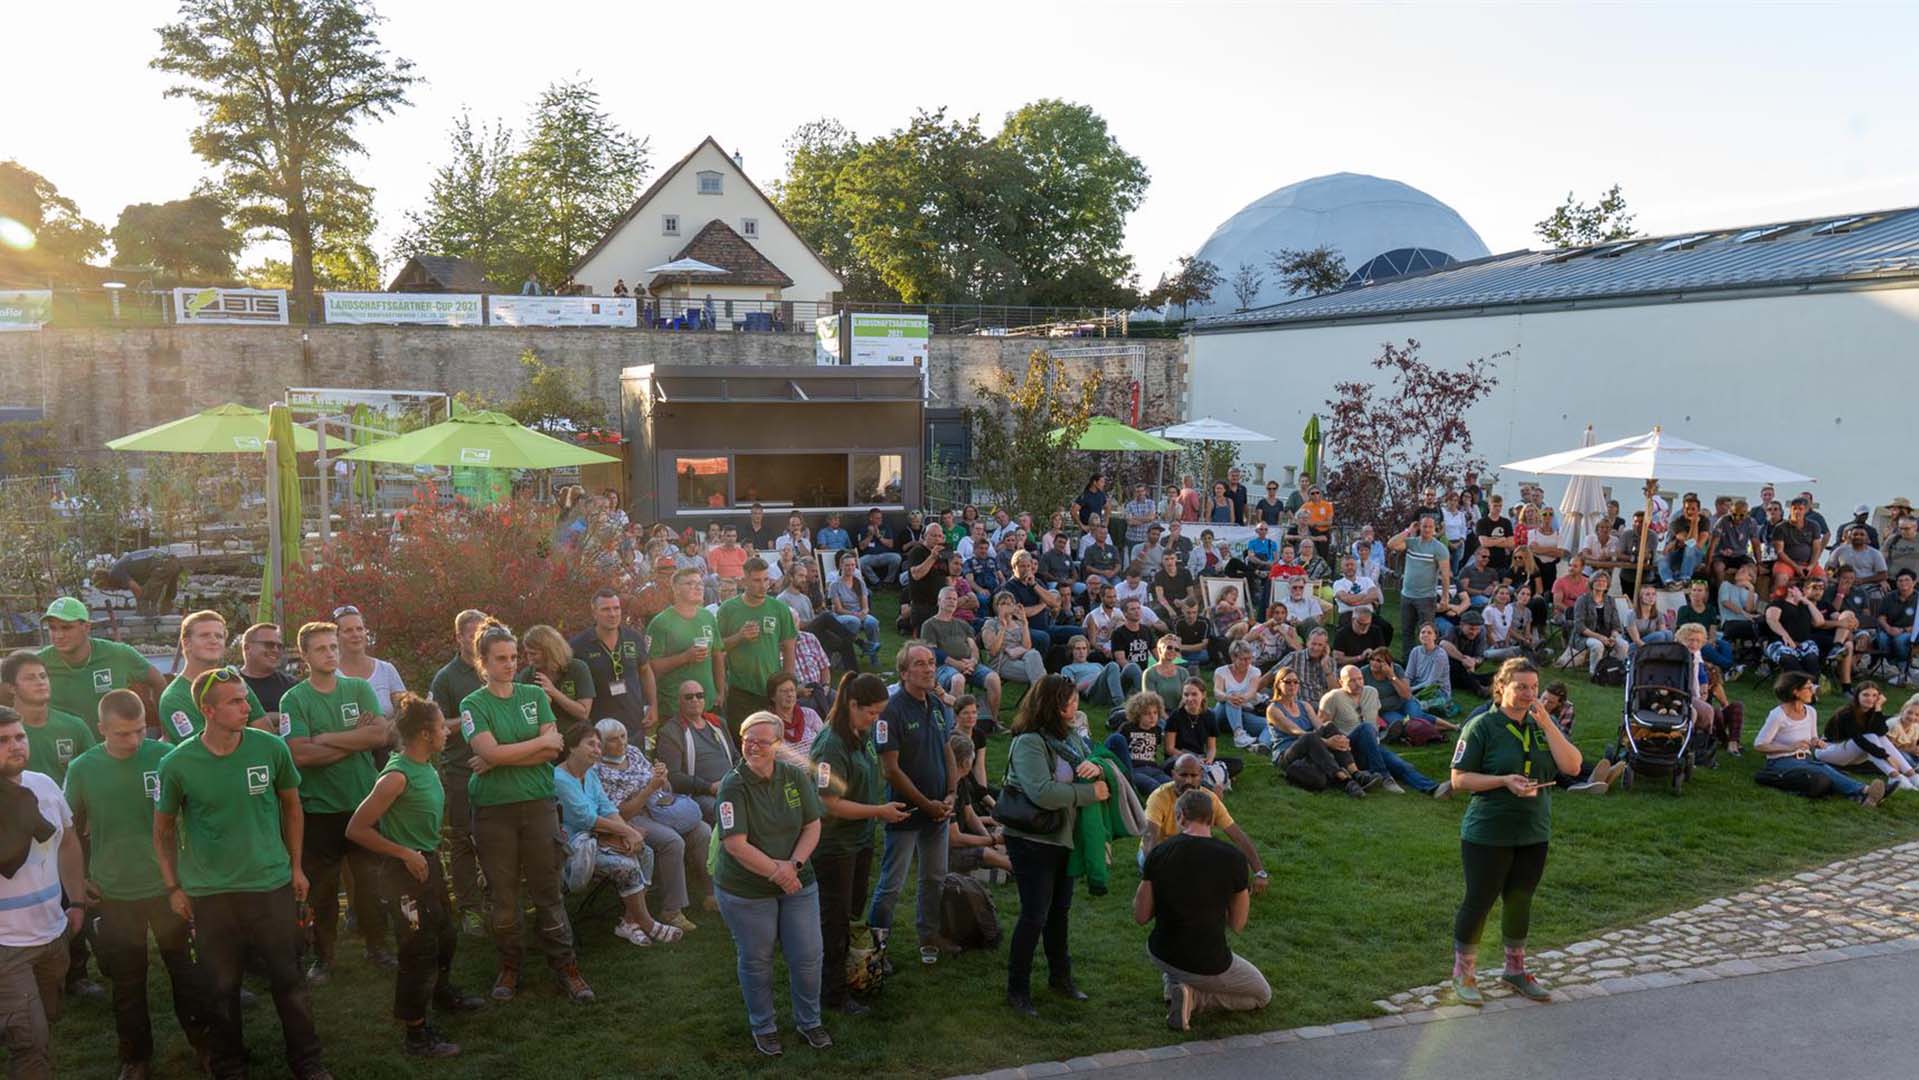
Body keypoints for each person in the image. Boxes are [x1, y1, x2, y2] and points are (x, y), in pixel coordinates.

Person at [153, 669, 330, 1079]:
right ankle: (230, 1066)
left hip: (270, 885)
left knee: (289, 980)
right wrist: (172, 887)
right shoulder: (177, 763)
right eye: (235, 701)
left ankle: (308, 1063)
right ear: (208, 710)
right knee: (220, 987)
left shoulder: (269, 748)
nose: (246, 707)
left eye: (245, 699)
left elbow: (292, 806)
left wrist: (296, 865)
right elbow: (161, 831)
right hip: (211, 894)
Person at [65, 690, 209, 1075]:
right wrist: (79, 879)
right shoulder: (82, 768)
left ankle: (205, 1045)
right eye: (122, 734)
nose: (133, 741)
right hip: (115, 891)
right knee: (128, 981)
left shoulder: (163, 757)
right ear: (101, 729)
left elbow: (194, 814)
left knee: (187, 972)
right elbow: (68, 830)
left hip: (168, 888)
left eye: (140, 731)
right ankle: (135, 1058)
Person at [458, 623, 592, 1005]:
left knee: (548, 892)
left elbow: (553, 751)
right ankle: (510, 966)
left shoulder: (534, 694)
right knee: (503, 898)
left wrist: (502, 755)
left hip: (538, 805)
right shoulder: (473, 704)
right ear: (483, 662)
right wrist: (531, 745)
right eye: (500, 659)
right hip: (493, 812)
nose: (510, 664)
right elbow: (495, 752)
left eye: (514, 657)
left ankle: (566, 967)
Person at [344, 694, 484, 1060]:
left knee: (445, 935)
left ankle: (440, 994)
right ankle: (417, 1033)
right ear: (424, 733)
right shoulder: (396, 776)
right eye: (441, 727)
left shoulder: (425, 765)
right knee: (417, 950)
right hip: (402, 872)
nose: (447, 733)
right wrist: (404, 853)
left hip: (428, 863)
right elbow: (357, 829)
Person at [1446, 658, 1584, 1006]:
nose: (1529, 694)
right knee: (1479, 901)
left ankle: (1515, 970)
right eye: (1521, 687)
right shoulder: (1482, 726)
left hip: (1533, 830)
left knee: (1520, 900)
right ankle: (1463, 974)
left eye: (1534, 688)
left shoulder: (1540, 725)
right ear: (1501, 687)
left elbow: (1573, 765)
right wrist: (1503, 781)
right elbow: (1459, 779)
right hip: (1488, 832)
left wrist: (1548, 723)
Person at [281, 621, 394, 982]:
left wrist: (326, 738)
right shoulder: (294, 699)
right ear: (305, 655)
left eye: (333, 647)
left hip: (362, 803)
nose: (330, 653)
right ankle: (324, 957)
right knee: (323, 892)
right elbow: (298, 755)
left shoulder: (359, 688)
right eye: (321, 648)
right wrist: (353, 739)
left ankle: (377, 947)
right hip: (319, 809)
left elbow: (380, 734)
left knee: (370, 885)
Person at [715, 711, 831, 1056]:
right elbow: (735, 843)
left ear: (778, 745)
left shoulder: (795, 776)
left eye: (762, 741)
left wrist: (793, 865)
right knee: (757, 958)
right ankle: (763, 1026)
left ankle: (809, 1021)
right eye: (748, 740)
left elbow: (812, 825)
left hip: (797, 880)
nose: (753, 747)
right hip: (746, 889)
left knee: (808, 954)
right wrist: (778, 873)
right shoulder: (732, 784)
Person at [1002, 674, 1108, 1018]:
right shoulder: (1029, 742)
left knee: (1059, 912)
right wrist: (1089, 793)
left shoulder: (1072, 738)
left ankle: (1060, 978)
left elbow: (1092, 765)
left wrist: (1097, 767)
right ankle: (1017, 989)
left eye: (1075, 699)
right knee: (1034, 914)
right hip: (1032, 839)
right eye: (1069, 700)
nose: (1075, 706)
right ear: (1052, 704)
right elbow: (1042, 792)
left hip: (1063, 837)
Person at [811, 674, 910, 1016]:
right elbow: (829, 803)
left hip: (860, 840)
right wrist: (879, 811)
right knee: (834, 921)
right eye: (871, 713)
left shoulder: (861, 734)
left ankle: (851, 973)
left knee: (850, 914)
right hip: (835, 847)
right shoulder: (830, 746)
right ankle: (833, 995)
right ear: (852, 705)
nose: (876, 720)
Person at [1136, 786, 1271, 1031]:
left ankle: (1176, 985)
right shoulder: (1233, 859)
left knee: (1180, 964)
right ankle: (1195, 999)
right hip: (1207, 961)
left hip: (1161, 952)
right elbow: (1238, 924)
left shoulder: (1159, 854)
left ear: (1180, 817)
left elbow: (1141, 915)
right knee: (1261, 995)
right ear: (1211, 819)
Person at [0, 705, 87, 1079]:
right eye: (3, 741)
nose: (16, 745)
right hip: (6, 945)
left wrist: (77, 899)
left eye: (19, 736)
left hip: (54, 932)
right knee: (30, 1043)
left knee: (47, 1019)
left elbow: (67, 842)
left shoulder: (44, 785)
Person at [868, 644, 957, 968]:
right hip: (905, 811)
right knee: (892, 884)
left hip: (940, 810)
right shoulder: (891, 711)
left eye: (932, 663)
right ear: (904, 673)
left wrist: (951, 793)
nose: (929, 669)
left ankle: (928, 936)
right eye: (920, 664)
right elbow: (890, 768)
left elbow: (948, 750)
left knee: (935, 877)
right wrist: (925, 804)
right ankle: (875, 949)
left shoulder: (936, 705)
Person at [554, 724, 679, 947]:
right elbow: (587, 818)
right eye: (590, 744)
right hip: (573, 847)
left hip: (599, 838)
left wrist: (629, 836)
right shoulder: (560, 779)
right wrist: (628, 831)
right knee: (626, 866)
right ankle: (647, 923)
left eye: (598, 745)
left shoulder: (589, 774)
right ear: (572, 747)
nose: (597, 750)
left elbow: (607, 808)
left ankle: (630, 923)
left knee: (645, 851)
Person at [595, 718, 708, 931]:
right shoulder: (598, 770)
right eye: (612, 740)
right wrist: (649, 788)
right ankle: (672, 910)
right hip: (631, 819)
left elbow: (661, 785)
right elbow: (619, 813)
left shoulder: (634, 753)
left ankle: (710, 893)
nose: (621, 743)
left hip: (658, 806)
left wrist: (662, 777)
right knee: (672, 841)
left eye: (623, 736)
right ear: (599, 744)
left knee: (701, 829)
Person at [425, 609, 488, 937]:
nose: (477, 639)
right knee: (463, 839)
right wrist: (470, 718)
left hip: (498, 766)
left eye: (482, 632)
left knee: (495, 836)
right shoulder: (447, 677)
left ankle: (497, 897)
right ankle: (470, 909)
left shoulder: (493, 668)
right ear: (459, 637)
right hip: (462, 769)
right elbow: (435, 725)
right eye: (471, 633)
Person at [1752, 672, 1886, 806]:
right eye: (1809, 688)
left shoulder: (1810, 711)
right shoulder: (1778, 715)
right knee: (1823, 770)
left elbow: (1813, 738)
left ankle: (1862, 798)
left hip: (1806, 758)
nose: (1814, 691)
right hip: (1780, 761)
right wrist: (1789, 748)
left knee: (1829, 773)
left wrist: (1817, 742)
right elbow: (1759, 745)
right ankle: (1865, 790)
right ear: (1796, 692)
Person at [37, 597, 166, 735]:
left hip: (113, 751)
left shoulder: (118, 654)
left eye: (66, 627)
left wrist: (166, 732)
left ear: (86, 627)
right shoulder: (38, 663)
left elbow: (159, 682)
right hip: (66, 751)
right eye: (52, 628)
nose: (58, 635)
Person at [1320, 665, 1451, 797]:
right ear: (1341, 682)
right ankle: (1383, 775)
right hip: (1349, 751)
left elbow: (1374, 718)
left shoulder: (1371, 692)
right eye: (1352, 681)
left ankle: (1433, 789)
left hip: (1372, 745)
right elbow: (1322, 727)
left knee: (1400, 765)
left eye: (1360, 679)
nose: (1358, 684)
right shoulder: (1332, 697)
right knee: (1365, 728)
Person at [569, 589, 655, 744]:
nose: (613, 614)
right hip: (598, 728)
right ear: (594, 613)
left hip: (633, 725)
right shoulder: (579, 645)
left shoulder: (633, 638)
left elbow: (645, 671)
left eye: (616, 608)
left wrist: (653, 705)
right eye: (606, 609)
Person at [2, 651, 93, 787]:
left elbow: (93, 773)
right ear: (11, 687)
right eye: (30, 678)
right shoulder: (4, 731)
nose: (40, 682)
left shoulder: (75, 726)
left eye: (43, 676)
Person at [648, 567, 727, 722]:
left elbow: (717, 655)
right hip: (675, 708)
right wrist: (685, 657)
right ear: (676, 589)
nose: (697, 587)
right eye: (690, 583)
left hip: (708, 703)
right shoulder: (660, 623)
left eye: (700, 583)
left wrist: (720, 691)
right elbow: (651, 667)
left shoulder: (707, 617)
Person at [660, 678, 740, 824]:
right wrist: (710, 787)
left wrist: (740, 777)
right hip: (701, 794)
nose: (695, 700)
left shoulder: (718, 722)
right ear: (679, 701)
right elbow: (674, 776)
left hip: (733, 784)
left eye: (699, 695)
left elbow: (735, 757)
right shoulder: (671, 731)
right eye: (689, 697)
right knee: (725, 812)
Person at [1819, 683, 1919, 789]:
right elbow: (1860, 741)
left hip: (1851, 752)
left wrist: (1878, 708)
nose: (1870, 699)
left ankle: (1912, 775)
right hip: (1827, 750)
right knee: (1870, 738)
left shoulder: (1871, 712)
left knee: (1878, 737)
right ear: (1857, 696)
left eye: (1874, 695)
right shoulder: (1847, 714)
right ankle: (1895, 776)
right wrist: (1887, 756)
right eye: (1865, 695)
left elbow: (1881, 732)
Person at [925, 587, 1002, 717]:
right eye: (948, 598)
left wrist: (973, 661)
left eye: (954, 599)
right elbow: (934, 652)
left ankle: (992, 720)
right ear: (939, 601)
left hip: (969, 665)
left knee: (993, 678)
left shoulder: (962, 624)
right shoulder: (929, 625)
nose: (952, 601)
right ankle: (955, 723)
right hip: (943, 667)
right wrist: (957, 665)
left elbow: (973, 647)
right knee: (958, 679)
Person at [1389, 517, 1452, 662]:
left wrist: (1444, 597)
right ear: (1419, 527)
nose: (1427, 530)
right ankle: (1408, 662)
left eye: (1430, 527)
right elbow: (1391, 544)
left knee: (1427, 633)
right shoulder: (1411, 543)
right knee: (1407, 632)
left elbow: (1445, 574)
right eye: (1424, 526)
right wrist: (1408, 531)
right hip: (1407, 595)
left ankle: (1428, 661)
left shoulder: (1439, 548)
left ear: (1434, 528)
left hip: (1426, 597)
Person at [517, 623, 595, 734]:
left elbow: (583, 713)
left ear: (549, 652)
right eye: (528, 653)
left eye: (534, 654)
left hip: (577, 737)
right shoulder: (527, 676)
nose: (530, 659)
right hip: (543, 738)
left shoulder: (577, 668)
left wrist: (554, 692)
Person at [332, 606, 407, 715]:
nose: (356, 634)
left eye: (359, 629)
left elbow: (406, 714)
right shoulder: (331, 675)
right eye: (348, 630)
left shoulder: (386, 670)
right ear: (336, 636)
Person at [1105, 691, 1173, 798]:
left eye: (1155, 713)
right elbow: (1116, 745)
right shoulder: (1127, 728)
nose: (1152, 717)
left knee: (1172, 785)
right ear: (1137, 714)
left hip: (1154, 769)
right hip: (1136, 770)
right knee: (1153, 786)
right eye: (1147, 713)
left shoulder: (1157, 730)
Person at [828, 552, 883, 667]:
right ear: (841, 566)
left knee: (872, 622)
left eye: (853, 565)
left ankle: (873, 656)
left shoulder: (860, 582)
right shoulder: (835, 585)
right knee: (854, 621)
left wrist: (864, 612)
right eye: (847, 565)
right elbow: (838, 609)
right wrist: (855, 614)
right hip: (842, 615)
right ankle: (845, 657)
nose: (850, 568)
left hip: (859, 613)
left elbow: (866, 606)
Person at [92, 548, 185, 616]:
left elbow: (136, 589)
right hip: (171, 561)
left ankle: (148, 618)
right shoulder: (119, 569)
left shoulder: (116, 573)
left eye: (107, 588)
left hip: (161, 563)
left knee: (148, 597)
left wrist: (141, 608)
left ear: (105, 581)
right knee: (168, 595)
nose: (111, 591)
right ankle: (167, 614)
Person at [1568, 571, 1628, 674]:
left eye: (1604, 581)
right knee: (1597, 645)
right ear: (1592, 582)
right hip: (1584, 636)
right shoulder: (1582, 600)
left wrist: (1613, 637)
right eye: (1598, 580)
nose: (1601, 583)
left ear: (1607, 585)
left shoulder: (1610, 600)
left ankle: (1615, 671)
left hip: (1607, 635)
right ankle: (1596, 673)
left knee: (1623, 644)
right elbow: (1579, 626)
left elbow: (1616, 624)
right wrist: (1600, 637)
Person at [982, 591, 1046, 686]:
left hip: (1022, 658)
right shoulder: (991, 623)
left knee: (1033, 653)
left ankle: (1041, 693)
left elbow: (1026, 647)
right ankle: (1044, 692)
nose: (1007, 606)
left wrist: (1025, 623)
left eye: (1009, 603)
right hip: (1002, 661)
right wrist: (1002, 628)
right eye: (1003, 603)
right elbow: (993, 651)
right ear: (996, 607)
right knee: (1037, 673)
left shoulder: (1019, 624)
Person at [1063, 634, 1139, 709]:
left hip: (1111, 689)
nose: (1081, 652)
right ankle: (1120, 704)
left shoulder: (1096, 665)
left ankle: (1143, 700)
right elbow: (1070, 690)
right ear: (1071, 651)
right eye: (1078, 649)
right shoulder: (1068, 668)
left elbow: (1111, 677)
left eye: (1084, 648)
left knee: (1131, 667)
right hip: (1094, 692)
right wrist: (1090, 681)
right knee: (1112, 665)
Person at [767, 672, 825, 765]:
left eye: (792, 690)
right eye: (784, 691)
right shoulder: (768, 724)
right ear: (773, 697)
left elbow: (825, 743)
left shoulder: (810, 714)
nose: (789, 694)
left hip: (817, 773)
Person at [856, 509, 900, 589]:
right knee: (860, 562)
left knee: (897, 558)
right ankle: (876, 582)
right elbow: (861, 547)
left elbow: (891, 545)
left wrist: (879, 535)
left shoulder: (886, 527)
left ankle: (888, 582)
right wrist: (870, 535)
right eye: (877, 518)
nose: (880, 520)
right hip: (870, 556)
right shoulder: (863, 529)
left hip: (884, 555)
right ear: (871, 518)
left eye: (881, 518)